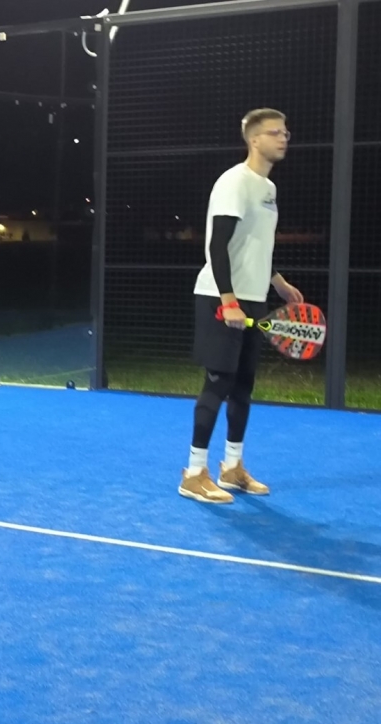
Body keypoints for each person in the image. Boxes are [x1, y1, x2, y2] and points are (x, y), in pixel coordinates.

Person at [178, 108, 304, 503]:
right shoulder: (234, 182)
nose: (283, 138)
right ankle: (193, 473)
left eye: (285, 133)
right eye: (275, 132)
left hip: (254, 297)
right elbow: (218, 245)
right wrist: (229, 301)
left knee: (244, 385)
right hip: (220, 297)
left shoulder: (268, 188)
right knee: (218, 382)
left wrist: (278, 282)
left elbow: (254, 244)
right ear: (254, 139)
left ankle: (232, 467)